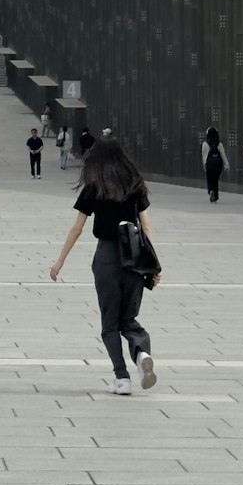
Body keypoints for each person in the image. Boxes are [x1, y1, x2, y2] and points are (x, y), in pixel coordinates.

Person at [50, 135, 159, 395]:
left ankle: (121, 378)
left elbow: (77, 228)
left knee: (110, 322)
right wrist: (153, 266)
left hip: (107, 256)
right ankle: (142, 353)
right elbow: (145, 225)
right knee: (129, 319)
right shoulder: (135, 184)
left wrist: (60, 261)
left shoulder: (94, 186)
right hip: (134, 257)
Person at [202, 126, 229, 201]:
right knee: (215, 179)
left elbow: (204, 157)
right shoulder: (219, 144)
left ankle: (211, 191)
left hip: (209, 164)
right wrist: (226, 165)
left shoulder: (205, 144)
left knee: (210, 178)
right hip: (218, 164)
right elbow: (223, 154)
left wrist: (205, 166)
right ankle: (216, 196)